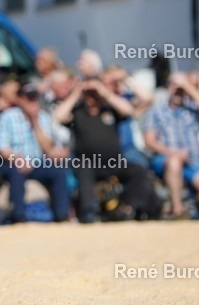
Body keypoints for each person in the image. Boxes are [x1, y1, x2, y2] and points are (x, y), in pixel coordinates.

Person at [52, 78, 155, 222]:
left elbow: (129, 110)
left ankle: (130, 208)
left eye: (94, 94)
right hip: (88, 163)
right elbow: (58, 116)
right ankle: (88, 211)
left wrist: (105, 93)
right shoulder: (78, 112)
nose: (91, 98)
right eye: (89, 94)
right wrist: (76, 93)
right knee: (84, 171)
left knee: (138, 170)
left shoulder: (109, 109)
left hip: (114, 162)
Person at [0, 83, 71, 222]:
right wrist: (18, 160)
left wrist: (35, 121)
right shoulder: (8, 117)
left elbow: (47, 147)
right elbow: (2, 148)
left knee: (57, 171)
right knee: (15, 173)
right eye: (28, 98)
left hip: (37, 162)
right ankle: (18, 216)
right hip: (12, 162)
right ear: (20, 99)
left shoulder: (43, 117)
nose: (32, 101)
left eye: (34, 98)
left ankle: (62, 215)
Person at [143, 73, 199, 218]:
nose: (178, 91)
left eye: (181, 88)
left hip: (194, 162)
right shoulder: (157, 111)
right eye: (174, 86)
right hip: (166, 159)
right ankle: (178, 210)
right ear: (168, 87)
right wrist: (173, 153)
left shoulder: (194, 108)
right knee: (174, 163)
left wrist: (189, 88)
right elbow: (149, 141)